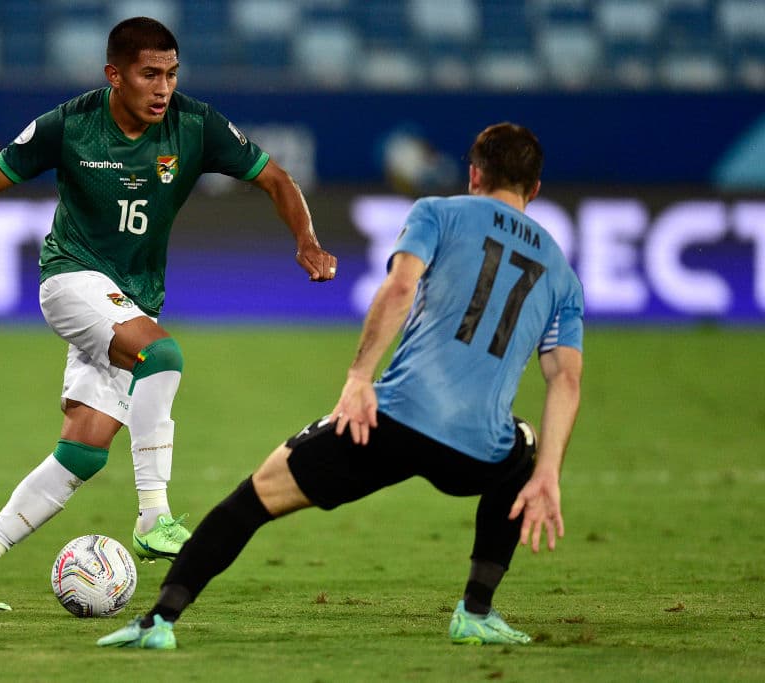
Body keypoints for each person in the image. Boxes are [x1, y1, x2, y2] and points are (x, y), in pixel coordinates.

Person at [0, 16, 337, 612]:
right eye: (149, 74)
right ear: (115, 76)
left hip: (130, 300)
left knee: (83, 450)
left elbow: (276, 179)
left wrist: (305, 240)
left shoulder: (195, 126)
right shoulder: (71, 125)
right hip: (71, 279)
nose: (163, 88)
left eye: (171, 74)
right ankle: (154, 514)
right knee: (164, 353)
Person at [97, 122, 584, 649]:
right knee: (525, 443)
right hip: (477, 450)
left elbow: (400, 287)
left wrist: (358, 378)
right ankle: (476, 611)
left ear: (474, 175)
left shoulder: (437, 213)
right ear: (534, 189)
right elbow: (566, 378)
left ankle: (160, 621)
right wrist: (549, 474)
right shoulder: (560, 270)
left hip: (390, 421)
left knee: (254, 498)